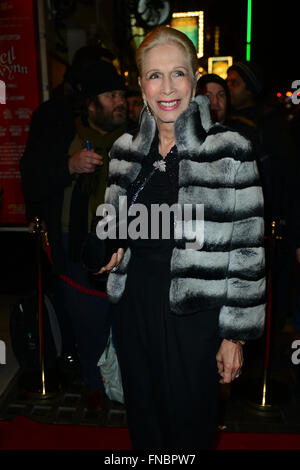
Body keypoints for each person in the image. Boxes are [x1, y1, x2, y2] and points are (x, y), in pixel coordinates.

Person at [93, 27, 266, 449]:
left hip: (197, 319)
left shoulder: (231, 150)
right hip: (135, 311)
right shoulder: (124, 152)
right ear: (140, 84)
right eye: (155, 76)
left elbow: (248, 250)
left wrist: (234, 335)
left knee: (190, 432)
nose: (167, 88)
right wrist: (110, 248)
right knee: (145, 426)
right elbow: (114, 226)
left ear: (193, 77)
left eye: (178, 74)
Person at [20, 59, 127, 409]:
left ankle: (126, 381)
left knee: (124, 319)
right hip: (76, 241)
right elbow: (34, 179)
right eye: (110, 96)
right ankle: (94, 382)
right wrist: (70, 166)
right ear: (91, 103)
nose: (120, 101)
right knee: (88, 321)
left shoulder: (136, 137)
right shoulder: (63, 134)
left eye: (121, 94)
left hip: (125, 240)